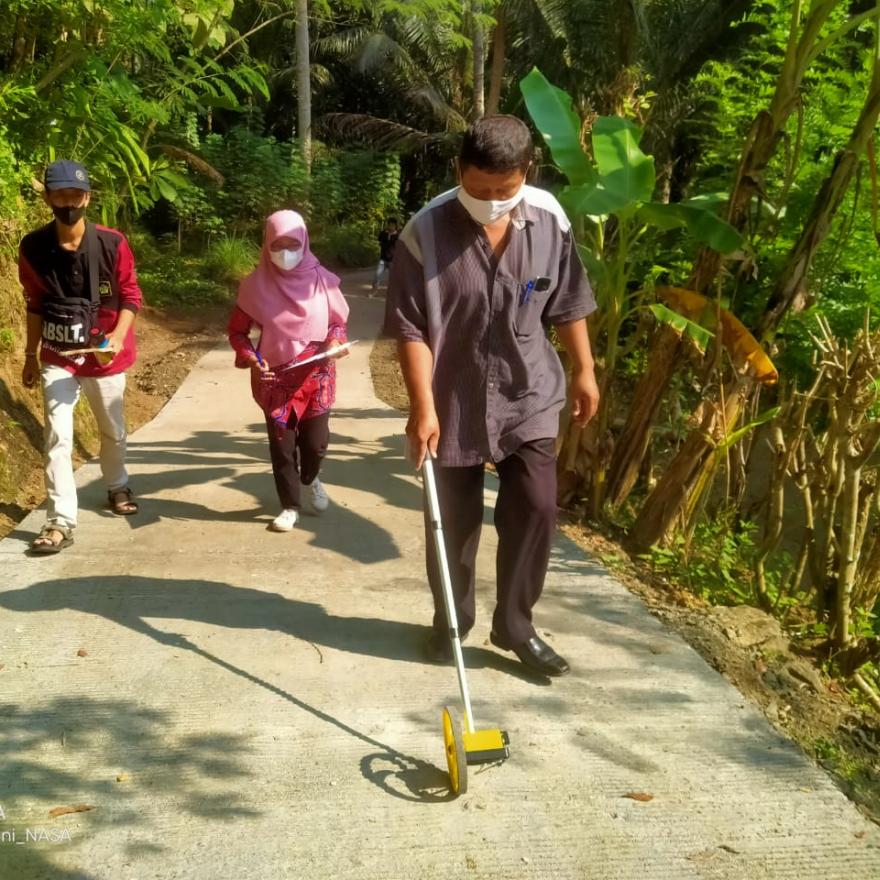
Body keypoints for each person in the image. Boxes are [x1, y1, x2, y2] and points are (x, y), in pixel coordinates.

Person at [384, 115, 600, 677]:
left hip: (528, 389)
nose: (491, 202)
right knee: (451, 521)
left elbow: (569, 300)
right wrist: (421, 407)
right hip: (450, 396)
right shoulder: (424, 233)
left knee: (536, 505)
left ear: (526, 173)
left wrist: (584, 368)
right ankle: (452, 621)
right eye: (478, 190)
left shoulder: (550, 220)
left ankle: (516, 625)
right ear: (459, 171)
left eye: (503, 191)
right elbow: (410, 328)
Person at [19, 159, 142, 554]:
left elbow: (130, 296)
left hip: (105, 356)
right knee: (57, 434)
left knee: (113, 430)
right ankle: (60, 520)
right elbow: (34, 302)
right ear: (48, 198)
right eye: (60, 195)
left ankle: (116, 484)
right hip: (58, 354)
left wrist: (117, 338)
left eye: (75, 195)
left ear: (87, 197)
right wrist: (29, 354)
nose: (68, 203)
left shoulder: (112, 243)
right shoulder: (33, 247)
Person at [228, 210, 350, 532]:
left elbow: (338, 324)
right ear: (266, 244)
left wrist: (337, 342)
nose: (285, 252)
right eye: (277, 244)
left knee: (316, 444)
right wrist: (251, 357)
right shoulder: (255, 286)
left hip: (316, 378)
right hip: (276, 381)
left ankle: (311, 479)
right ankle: (289, 505)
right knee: (282, 447)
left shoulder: (324, 282)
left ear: (305, 242)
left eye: (292, 244)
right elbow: (238, 332)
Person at [370, 217, 399, 294]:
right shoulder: (383, 233)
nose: (391, 227)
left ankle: (393, 292)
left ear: (396, 226)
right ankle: (374, 290)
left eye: (393, 225)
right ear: (388, 225)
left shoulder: (398, 235)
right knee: (377, 275)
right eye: (390, 225)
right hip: (383, 258)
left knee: (394, 277)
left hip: (392, 260)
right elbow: (379, 242)